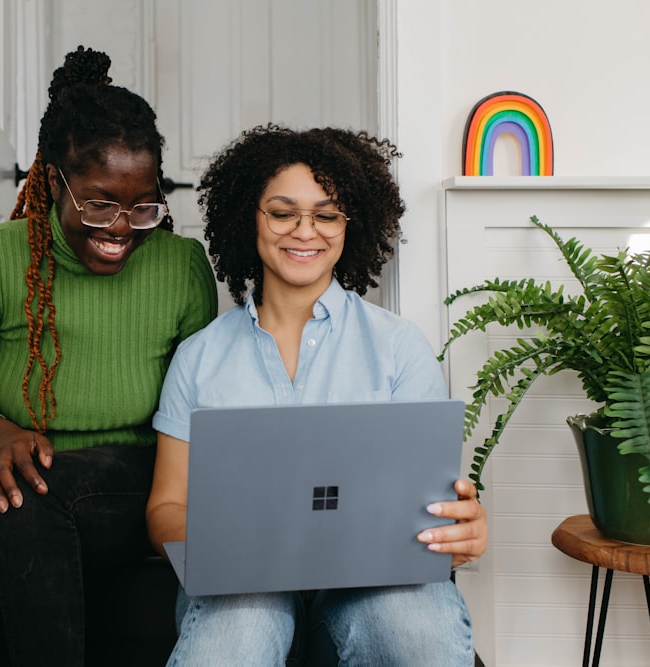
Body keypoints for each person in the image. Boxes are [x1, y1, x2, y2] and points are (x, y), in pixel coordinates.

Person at [0, 46, 218, 666]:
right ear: (51, 181)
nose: (121, 227)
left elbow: (199, 403)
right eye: (99, 202)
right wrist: (2, 434)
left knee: (33, 490)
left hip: (134, 473)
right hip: (17, 451)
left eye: (143, 205)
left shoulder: (181, 266)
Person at [145, 125, 488, 666]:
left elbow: (435, 502)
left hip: (371, 575)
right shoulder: (199, 357)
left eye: (326, 214)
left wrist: (461, 527)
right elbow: (166, 506)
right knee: (236, 634)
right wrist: (226, 539)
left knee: (414, 630)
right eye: (283, 212)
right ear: (249, 218)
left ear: (351, 225)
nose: (306, 231)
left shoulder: (399, 348)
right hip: (241, 578)